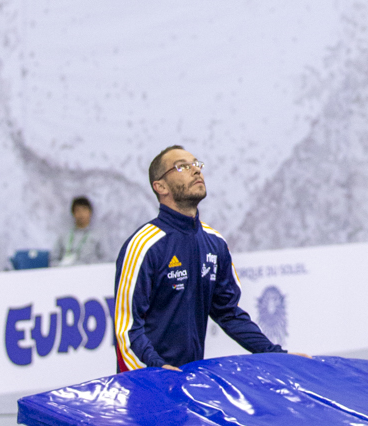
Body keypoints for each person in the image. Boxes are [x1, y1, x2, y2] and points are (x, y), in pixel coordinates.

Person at [114, 145, 286, 370]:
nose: (196, 171)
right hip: (147, 385)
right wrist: (157, 371)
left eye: (196, 164)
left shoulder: (214, 243)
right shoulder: (143, 246)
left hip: (190, 383)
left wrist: (278, 355)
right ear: (160, 186)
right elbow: (127, 330)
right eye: (183, 167)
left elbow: (229, 314)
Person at [52, 196, 105, 266]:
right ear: (73, 214)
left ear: (90, 212)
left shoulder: (98, 235)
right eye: (78, 210)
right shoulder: (64, 236)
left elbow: (105, 260)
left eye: (84, 210)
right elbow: (53, 259)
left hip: (90, 273)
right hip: (65, 273)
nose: (81, 214)